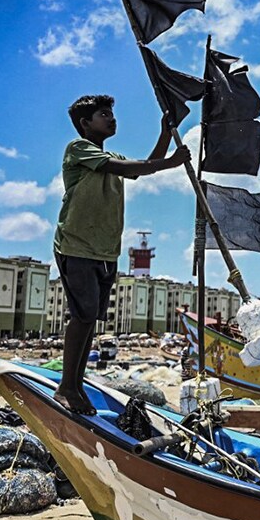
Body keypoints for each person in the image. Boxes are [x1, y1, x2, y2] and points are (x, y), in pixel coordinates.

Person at [53, 95, 190, 414]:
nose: (111, 119)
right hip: (76, 245)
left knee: (90, 321)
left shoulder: (110, 154)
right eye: (104, 115)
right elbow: (127, 167)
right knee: (82, 315)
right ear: (86, 124)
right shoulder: (78, 149)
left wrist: (165, 135)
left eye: (112, 114)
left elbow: (139, 170)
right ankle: (66, 387)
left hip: (105, 250)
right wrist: (171, 162)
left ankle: (76, 384)